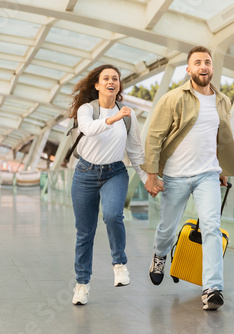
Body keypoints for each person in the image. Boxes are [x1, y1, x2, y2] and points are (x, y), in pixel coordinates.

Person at [142, 46, 234, 310]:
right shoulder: (173, 98)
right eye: (197, 62)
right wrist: (152, 175)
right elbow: (153, 137)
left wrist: (222, 170)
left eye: (207, 62)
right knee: (167, 227)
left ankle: (212, 288)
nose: (203, 66)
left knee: (211, 226)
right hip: (175, 176)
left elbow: (221, 139)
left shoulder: (222, 101)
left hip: (207, 175)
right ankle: (159, 255)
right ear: (189, 69)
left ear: (212, 68)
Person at [68, 64, 161, 305]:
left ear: (118, 86)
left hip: (114, 172)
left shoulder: (127, 116)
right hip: (85, 173)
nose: (111, 81)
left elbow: (136, 152)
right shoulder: (86, 110)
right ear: (97, 85)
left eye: (116, 79)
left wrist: (147, 179)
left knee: (112, 215)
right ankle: (82, 284)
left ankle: (119, 264)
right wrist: (114, 117)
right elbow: (88, 130)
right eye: (106, 78)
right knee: (84, 233)